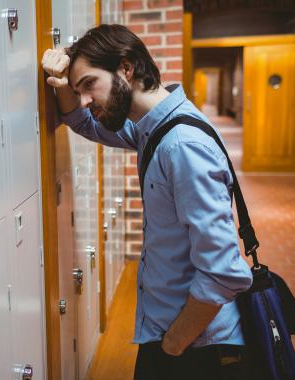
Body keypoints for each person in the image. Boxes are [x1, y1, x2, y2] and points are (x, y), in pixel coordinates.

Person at [41, 24, 253, 380]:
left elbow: (222, 271)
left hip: (196, 346)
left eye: (90, 84)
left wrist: (173, 345)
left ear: (126, 68)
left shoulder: (181, 145)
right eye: (82, 90)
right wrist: (63, 84)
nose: (87, 99)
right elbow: (83, 123)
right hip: (174, 332)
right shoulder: (151, 127)